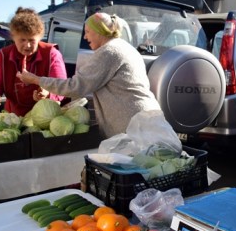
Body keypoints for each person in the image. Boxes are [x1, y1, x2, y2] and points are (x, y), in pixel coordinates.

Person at [17, 12, 160, 138]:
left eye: (87, 32)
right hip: (145, 117)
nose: (85, 37)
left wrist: (36, 79)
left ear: (99, 31)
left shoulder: (109, 52)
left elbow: (75, 87)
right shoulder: (125, 47)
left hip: (132, 123)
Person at [0, 8, 67, 116]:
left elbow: (62, 86)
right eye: (22, 40)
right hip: (14, 117)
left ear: (40, 37)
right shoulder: (3, 56)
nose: (27, 45)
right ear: (13, 37)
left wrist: (48, 94)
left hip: (46, 117)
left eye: (32, 40)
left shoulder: (52, 54)